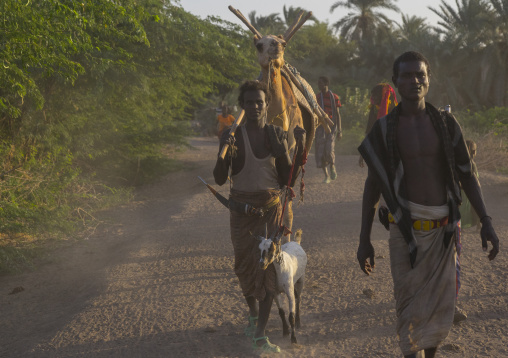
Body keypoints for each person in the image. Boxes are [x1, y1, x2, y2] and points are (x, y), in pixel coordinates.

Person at [357, 51, 499, 358]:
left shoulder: (446, 125)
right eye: (406, 76)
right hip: (404, 232)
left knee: (438, 311)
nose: (414, 81)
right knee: (408, 312)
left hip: (443, 232)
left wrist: (486, 220)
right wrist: (364, 239)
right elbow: (373, 184)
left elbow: (467, 175)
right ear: (395, 83)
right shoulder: (383, 130)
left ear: (429, 80)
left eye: (420, 75)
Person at [213, 80, 306, 354]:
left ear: (266, 106)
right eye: (249, 102)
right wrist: (225, 152)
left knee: (268, 269)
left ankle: (259, 333)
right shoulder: (231, 135)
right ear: (242, 105)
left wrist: (291, 149)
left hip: (270, 209)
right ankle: (254, 315)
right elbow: (219, 180)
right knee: (243, 266)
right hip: (241, 211)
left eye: (259, 102)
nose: (254, 106)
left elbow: (287, 177)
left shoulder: (276, 134)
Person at [359, 83, 398, 167]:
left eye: (375, 95)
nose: (373, 98)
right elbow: (369, 129)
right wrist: (363, 153)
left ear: (382, 95)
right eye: (372, 95)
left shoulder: (393, 109)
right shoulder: (374, 109)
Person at [314, 76, 342, 183]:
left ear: (326, 84)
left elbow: (338, 114)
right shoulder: (317, 97)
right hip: (320, 127)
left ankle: (332, 167)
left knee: (329, 149)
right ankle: (326, 176)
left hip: (332, 127)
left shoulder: (334, 97)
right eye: (318, 83)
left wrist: (340, 130)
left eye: (321, 83)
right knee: (320, 151)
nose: (319, 85)